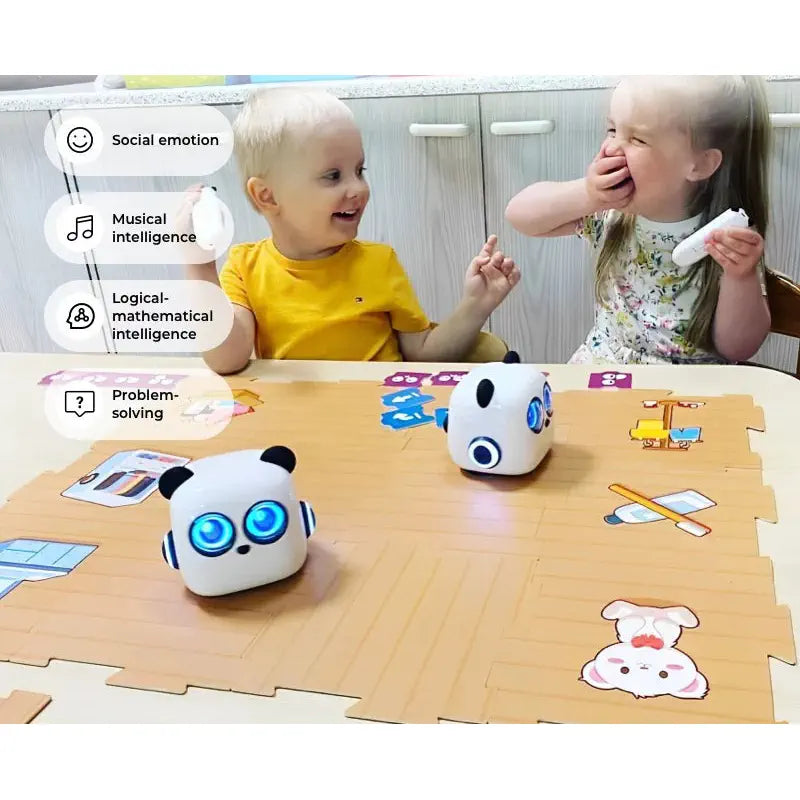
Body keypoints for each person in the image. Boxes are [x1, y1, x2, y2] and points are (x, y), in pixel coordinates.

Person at [180, 87, 520, 374]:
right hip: (301, 423)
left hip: (383, 414)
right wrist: (199, 266)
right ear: (267, 196)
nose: (358, 188)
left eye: (359, 170)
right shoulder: (245, 268)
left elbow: (422, 355)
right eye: (333, 176)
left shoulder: (379, 262)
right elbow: (226, 360)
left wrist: (476, 304)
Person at [505, 75, 772, 365]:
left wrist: (740, 277)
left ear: (700, 164)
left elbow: (738, 348)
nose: (611, 149)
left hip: (689, 387)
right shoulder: (611, 215)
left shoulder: (727, 239)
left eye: (637, 139)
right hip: (602, 376)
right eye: (612, 130)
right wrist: (588, 194)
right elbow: (519, 215)